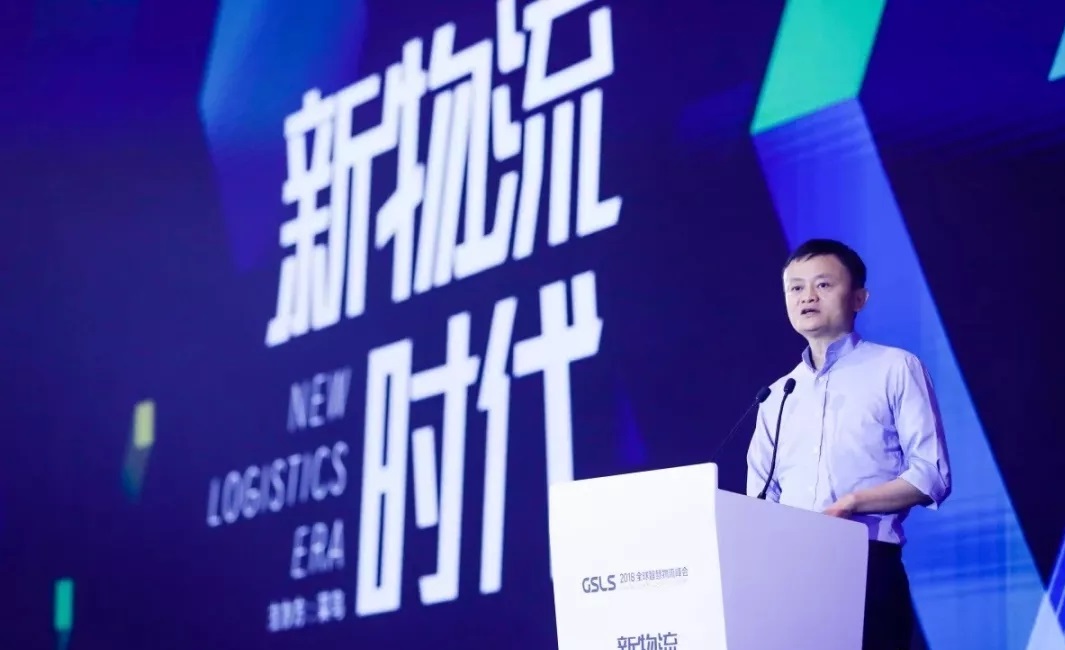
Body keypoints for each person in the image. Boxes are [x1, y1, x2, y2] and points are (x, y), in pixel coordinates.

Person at [746, 238, 952, 650]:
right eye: (796, 287)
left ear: (859, 298)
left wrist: (853, 503)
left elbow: (931, 474)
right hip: (791, 574)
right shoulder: (778, 395)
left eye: (823, 285)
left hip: (867, 563)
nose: (807, 296)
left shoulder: (895, 368)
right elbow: (760, 498)